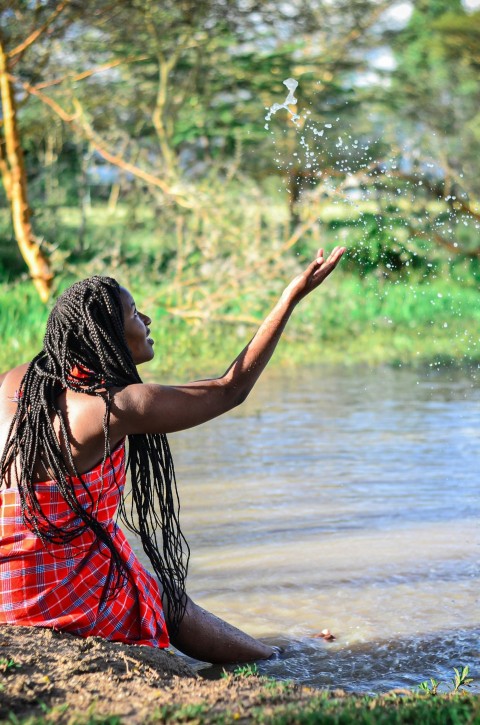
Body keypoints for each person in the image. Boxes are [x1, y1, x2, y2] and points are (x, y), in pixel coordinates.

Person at [0, 246, 345, 664]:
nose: (146, 321)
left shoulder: (20, 382)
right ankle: (277, 657)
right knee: (158, 595)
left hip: (11, 571)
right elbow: (228, 390)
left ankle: (270, 650)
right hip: (40, 596)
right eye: (133, 313)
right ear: (105, 334)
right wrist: (289, 299)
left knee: (132, 568)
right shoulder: (113, 407)